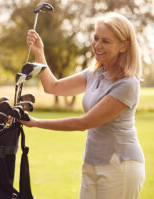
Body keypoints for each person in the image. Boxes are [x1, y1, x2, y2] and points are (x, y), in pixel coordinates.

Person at [20, 12, 145, 199]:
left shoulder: (127, 84)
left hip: (120, 167)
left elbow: (82, 123)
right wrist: (40, 53)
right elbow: (52, 87)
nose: (97, 45)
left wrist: (36, 122)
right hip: (91, 164)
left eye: (106, 41)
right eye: (96, 38)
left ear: (124, 45)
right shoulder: (94, 73)